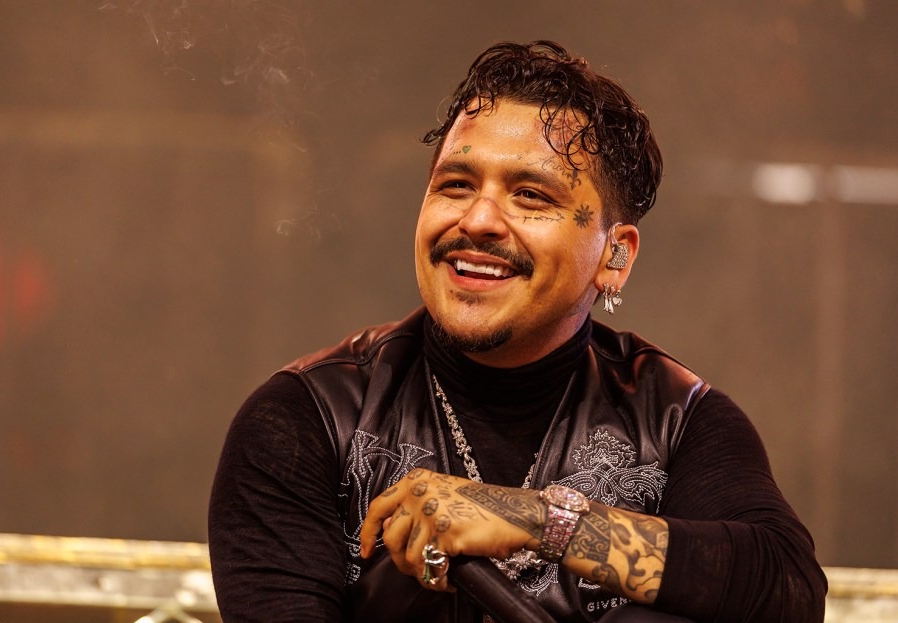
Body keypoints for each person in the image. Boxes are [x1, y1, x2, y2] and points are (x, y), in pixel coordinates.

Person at [208, 40, 827, 622]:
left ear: (615, 256)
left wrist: (535, 521)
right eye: (456, 186)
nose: (478, 220)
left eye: (531, 195)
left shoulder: (677, 419)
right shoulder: (309, 417)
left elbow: (789, 589)